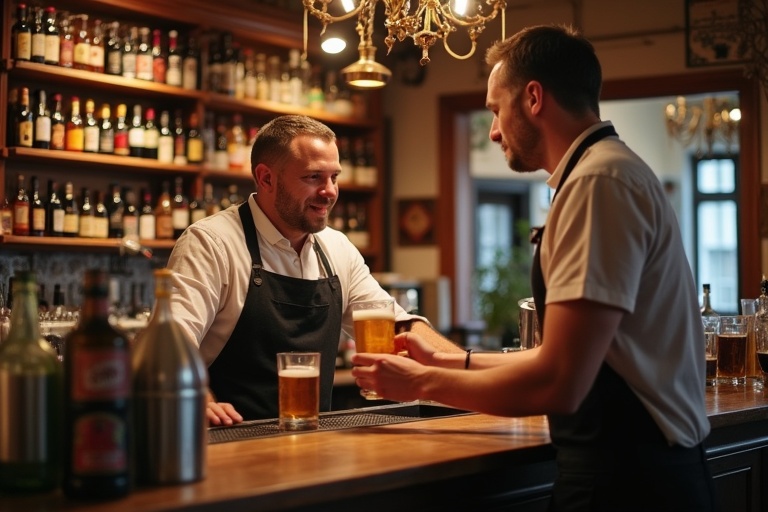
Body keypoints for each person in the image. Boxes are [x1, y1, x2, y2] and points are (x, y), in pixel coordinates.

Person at [351, 25, 717, 511]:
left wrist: (417, 384)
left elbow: (559, 382)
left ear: (534, 98)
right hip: (639, 470)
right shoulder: (606, 172)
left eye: (496, 110)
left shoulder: (598, 183)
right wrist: (446, 360)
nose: (495, 130)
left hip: (628, 481)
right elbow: (565, 356)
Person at [167, 114, 462, 426]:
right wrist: (198, 396)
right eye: (313, 178)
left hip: (312, 437)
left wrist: (467, 369)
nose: (330, 191)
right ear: (266, 178)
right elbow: (169, 343)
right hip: (230, 438)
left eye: (334, 177)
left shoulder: (337, 248)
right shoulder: (211, 243)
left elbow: (398, 327)